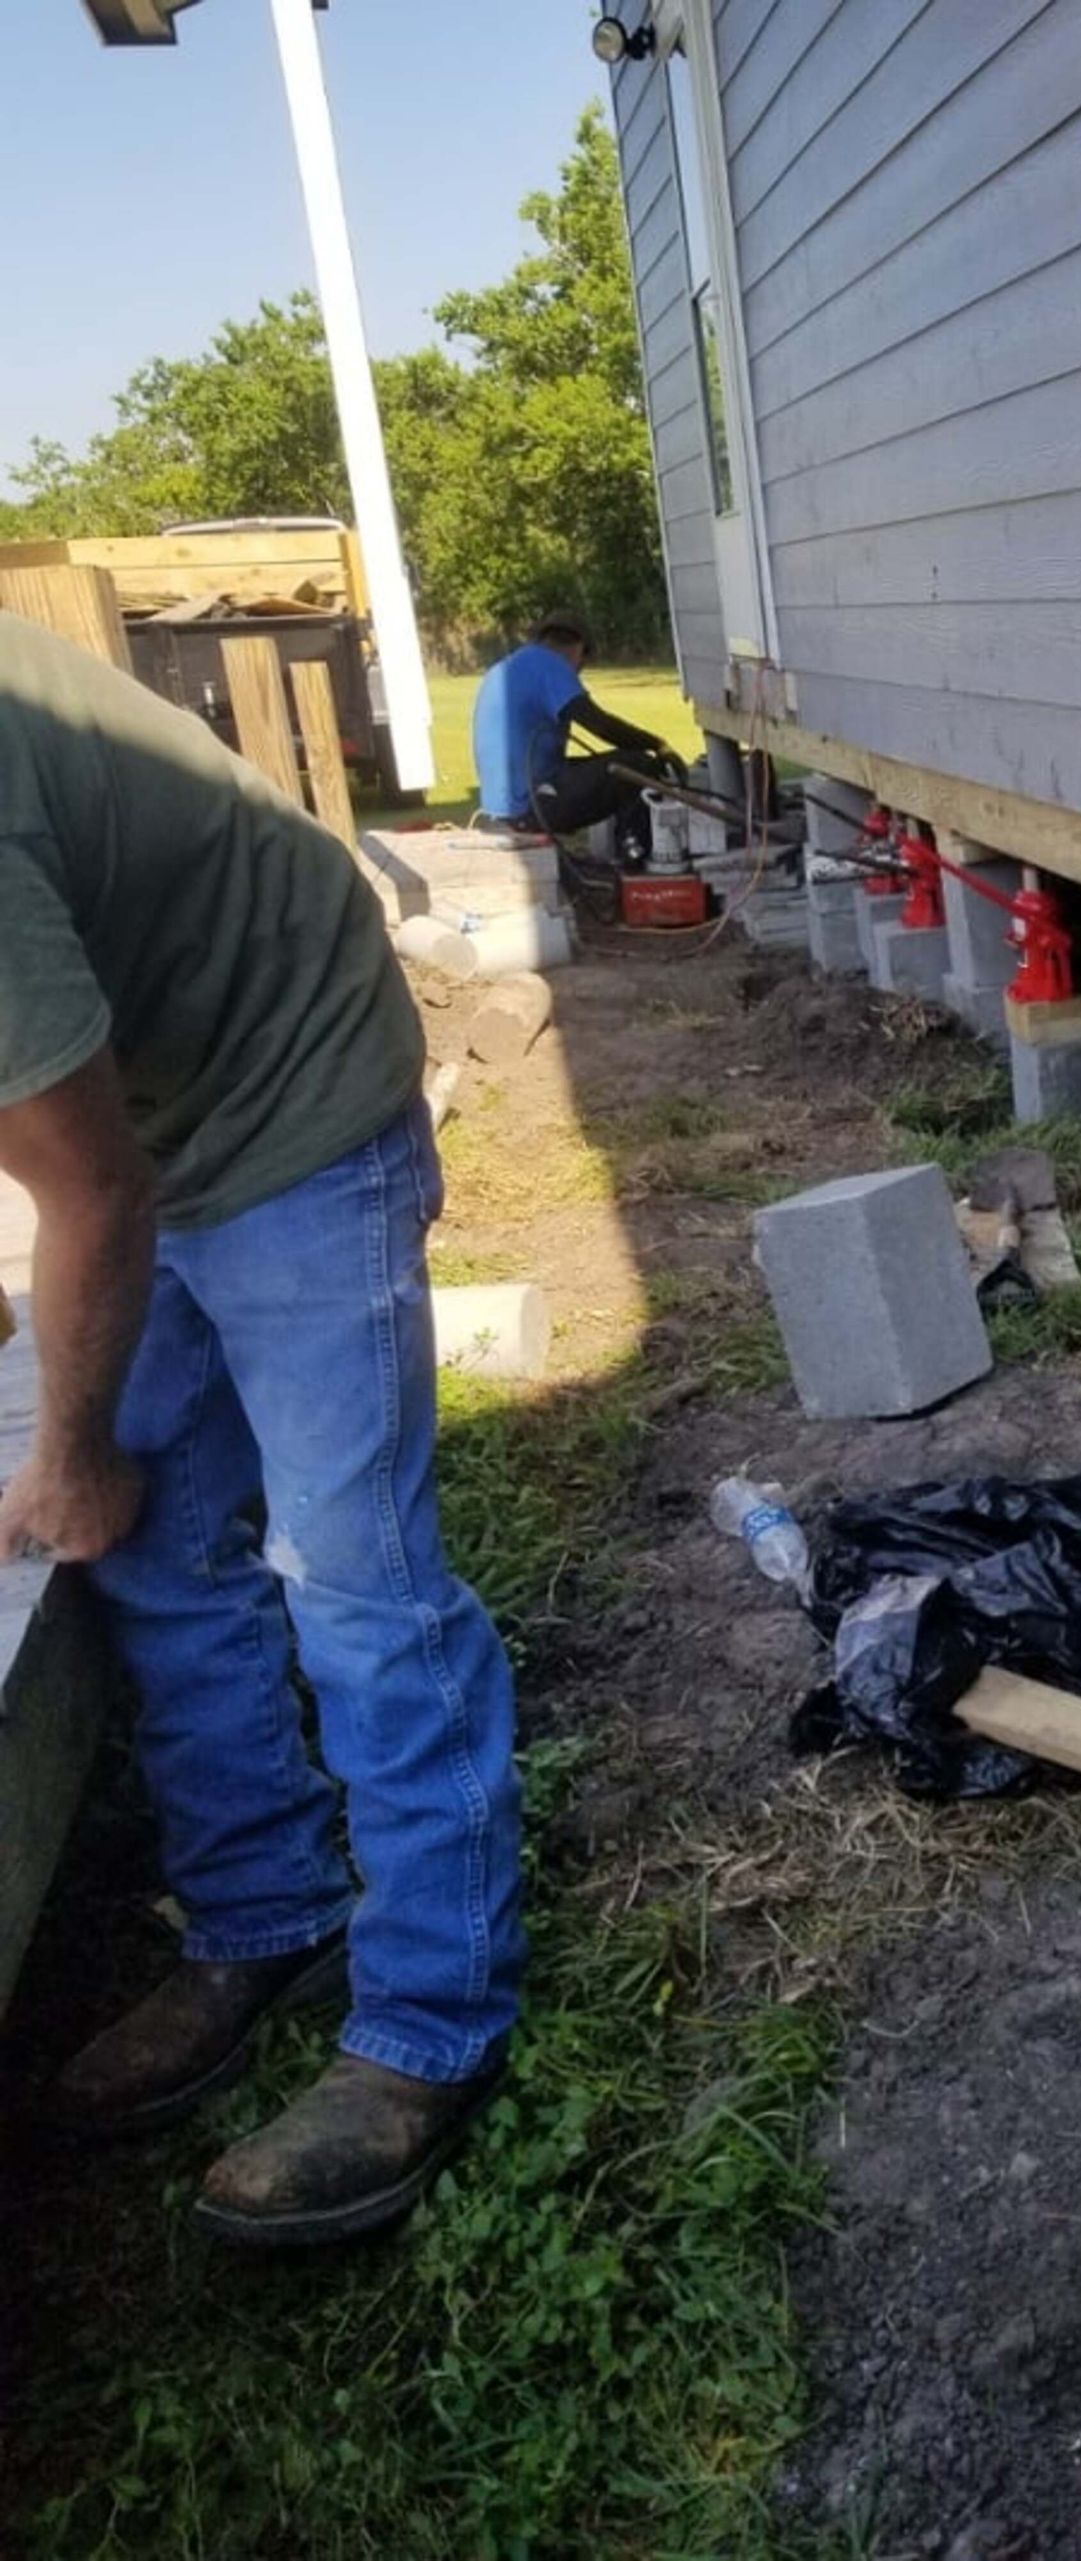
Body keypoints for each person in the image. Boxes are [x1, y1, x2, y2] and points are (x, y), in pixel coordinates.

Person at [0, 611, 523, 2247]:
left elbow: (88, 1183)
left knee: (350, 1571)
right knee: (157, 1539)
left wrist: (64, 1445)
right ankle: (263, 1908)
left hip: (289, 1073)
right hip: (149, 1094)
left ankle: (430, 2021)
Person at [471, 610, 683, 843]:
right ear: (579, 649)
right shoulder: (551, 666)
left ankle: (626, 845)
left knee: (614, 764)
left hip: (503, 805)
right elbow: (601, 726)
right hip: (530, 806)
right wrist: (657, 745)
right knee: (638, 767)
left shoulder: (511, 665)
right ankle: (635, 854)